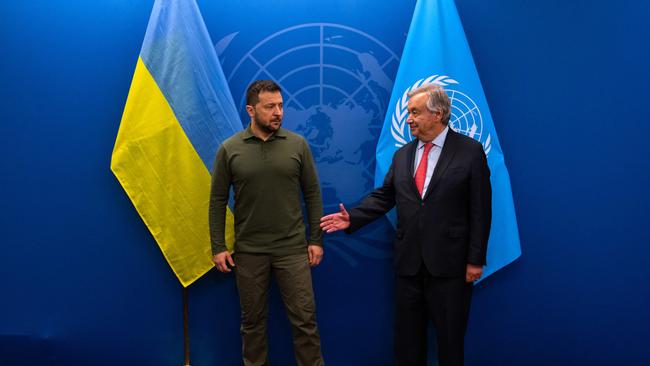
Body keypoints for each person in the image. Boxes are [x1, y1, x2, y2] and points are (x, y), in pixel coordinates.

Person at [320, 84, 491, 366]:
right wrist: (354, 217)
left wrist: (475, 260)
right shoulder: (402, 155)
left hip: (450, 267)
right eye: (409, 112)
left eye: (415, 112)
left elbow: (481, 210)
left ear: (438, 114)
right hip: (408, 266)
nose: (408, 119)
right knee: (407, 344)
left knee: (450, 341)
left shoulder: (470, 151)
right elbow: (385, 196)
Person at [209, 80, 325, 366]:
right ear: (251, 110)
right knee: (252, 325)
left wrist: (316, 240)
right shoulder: (229, 149)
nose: (278, 112)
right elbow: (217, 201)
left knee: (305, 323)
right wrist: (218, 246)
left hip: (293, 250)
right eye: (270, 106)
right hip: (249, 252)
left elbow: (312, 194)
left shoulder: (298, 145)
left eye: (281, 106)